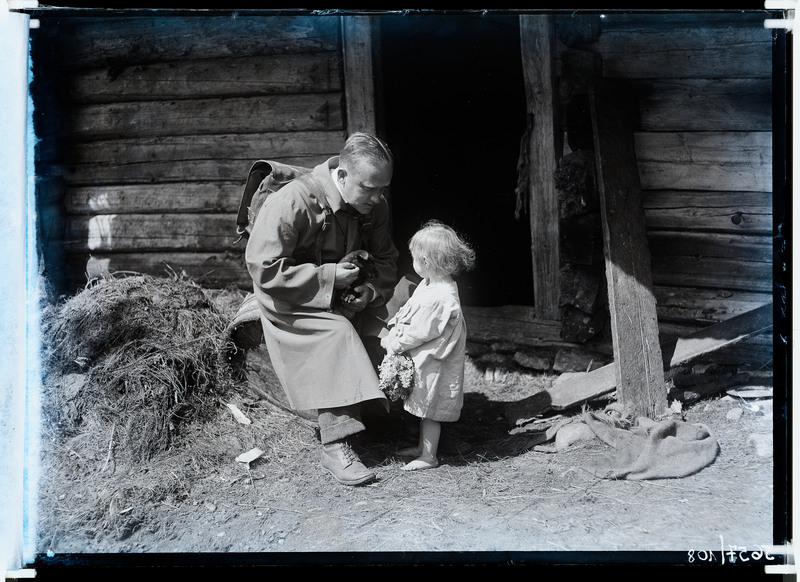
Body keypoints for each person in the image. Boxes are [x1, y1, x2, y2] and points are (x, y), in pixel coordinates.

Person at [245, 132, 399, 486]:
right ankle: (335, 445)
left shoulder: (374, 206)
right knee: (338, 333)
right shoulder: (294, 200)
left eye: (382, 189)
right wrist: (330, 277)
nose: (377, 198)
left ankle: (397, 417)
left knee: (405, 315)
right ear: (342, 176)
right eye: (369, 188)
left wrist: (370, 290)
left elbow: (387, 259)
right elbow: (264, 267)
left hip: (345, 294)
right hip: (289, 297)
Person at [380, 220, 476, 471]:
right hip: (428, 360)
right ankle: (422, 448)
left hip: (436, 362)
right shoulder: (431, 284)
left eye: (415, 259)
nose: (413, 263)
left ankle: (429, 456)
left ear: (428, 262)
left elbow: (419, 331)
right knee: (424, 407)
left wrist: (394, 342)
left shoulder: (440, 298)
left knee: (431, 410)